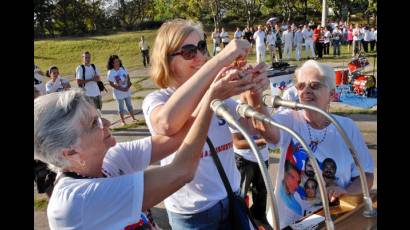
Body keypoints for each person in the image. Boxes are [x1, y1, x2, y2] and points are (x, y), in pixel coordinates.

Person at [34, 82, 233, 229]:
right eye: (94, 123)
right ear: (70, 152)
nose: (106, 124)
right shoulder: (74, 200)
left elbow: (177, 138)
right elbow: (181, 172)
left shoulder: (111, 159)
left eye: (99, 116)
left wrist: (211, 91)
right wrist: (209, 99)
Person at [143, 19, 277, 229]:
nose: (199, 57)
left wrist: (253, 91)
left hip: (230, 199)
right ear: (167, 60)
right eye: (188, 52)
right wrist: (221, 60)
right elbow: (167, 124)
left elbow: (264, 133)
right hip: (193, 213)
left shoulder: (219, 93)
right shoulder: (157, 100)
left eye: (202, 47)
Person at [268, 60, 374, 228]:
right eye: (301, 86)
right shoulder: (290, 119)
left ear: (331, 94)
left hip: (332, 220)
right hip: (287, 223)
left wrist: (346, 191)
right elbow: (264, 130)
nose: (306, 91)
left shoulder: (346, 127)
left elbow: (366, 175)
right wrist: (254, 96)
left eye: (314, 86)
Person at [106, 54, 136, 126]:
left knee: (129, 105)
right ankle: (123, 121)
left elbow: (128, 77)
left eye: (118, 61)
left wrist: (128, 86)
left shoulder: (123, 68)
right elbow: (111, 83)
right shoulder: (111, 72)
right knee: (121, 107)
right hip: (119, 93)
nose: (118, 63)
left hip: (126, 91)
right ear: (112, 63)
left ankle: (133, 118)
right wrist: (121, 89)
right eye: (116, 62)